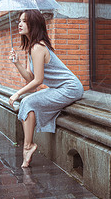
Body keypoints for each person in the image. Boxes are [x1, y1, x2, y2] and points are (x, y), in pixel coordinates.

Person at [8, 9, 84, 168]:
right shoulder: (31, 48)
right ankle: (28, 146)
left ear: (34, 24)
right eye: (19, 21)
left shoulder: (38, 47)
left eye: (24, 21)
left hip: (70, 88)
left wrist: (17, 93)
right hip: (59, 88)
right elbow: (30, 77)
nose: (19, 24)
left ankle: (28, 146)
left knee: (27, 102)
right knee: (27, 101)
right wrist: (17, 63)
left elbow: (38, 80)